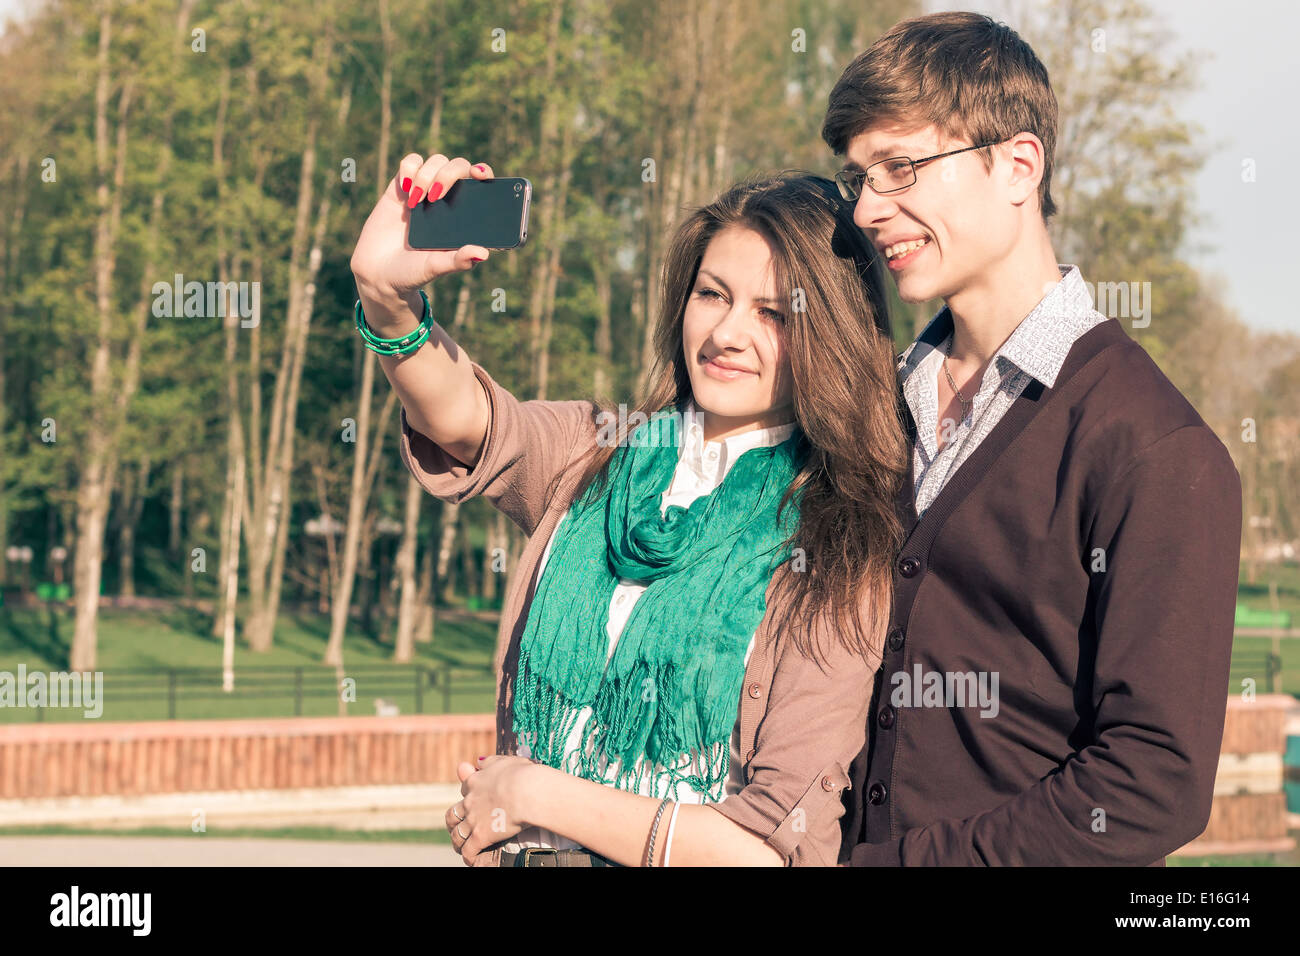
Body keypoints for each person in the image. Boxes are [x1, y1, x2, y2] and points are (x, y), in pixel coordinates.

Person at [349, 159, 909, 866]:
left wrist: (533, 795)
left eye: (773, 313)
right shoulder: (594, 453)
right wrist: (385, 297)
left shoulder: (838, 544)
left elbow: (770, 851)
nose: (727, 333)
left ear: (832, 332)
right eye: (713, 295)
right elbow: (465, 422)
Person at [822, 12, 1243, 866]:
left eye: (900, 167)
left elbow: (1151, 783)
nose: (867, 208)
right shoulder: (874, 408)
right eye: (858, 176)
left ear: (1018, 166)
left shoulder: (1156, 449)